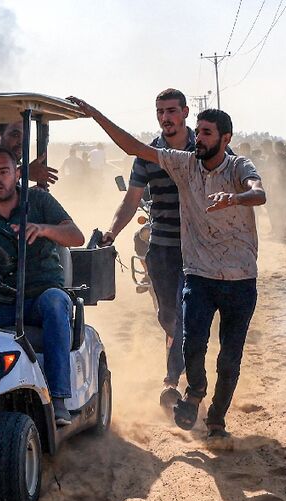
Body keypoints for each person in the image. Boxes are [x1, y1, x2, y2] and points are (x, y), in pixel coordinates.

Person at [68, 96, 266, 438]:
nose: (200, 139)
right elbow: (133, 157)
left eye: (207, 133)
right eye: (159, 111)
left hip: (237, 274)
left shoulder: (232, 165)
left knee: (229, 355)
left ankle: (214, 416)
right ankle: (189, 389)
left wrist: (235, 198)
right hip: (189, 264)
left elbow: (257, 190)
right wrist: (95, 114)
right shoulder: (182, 162)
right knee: (183, 332)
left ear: (223, 138)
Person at [0, 147, 84, 426]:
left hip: (40, 295)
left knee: (57, 303)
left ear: (17, 174)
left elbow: (76, 236)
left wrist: (43, 229)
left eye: (4, 172)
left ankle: (57, 399)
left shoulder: (40, 201)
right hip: (1, 300)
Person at [100, 88, 194, 398]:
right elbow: (131, 201)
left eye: (171, 111)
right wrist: (111, 232)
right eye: (160, 112)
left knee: (183, 313)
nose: (165, 118)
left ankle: (173, 381)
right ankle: (180, 364)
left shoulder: (204, 147)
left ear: (185, 113)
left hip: (197, 249)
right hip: (161, 248)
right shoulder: (147, 154)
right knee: (167, 316)